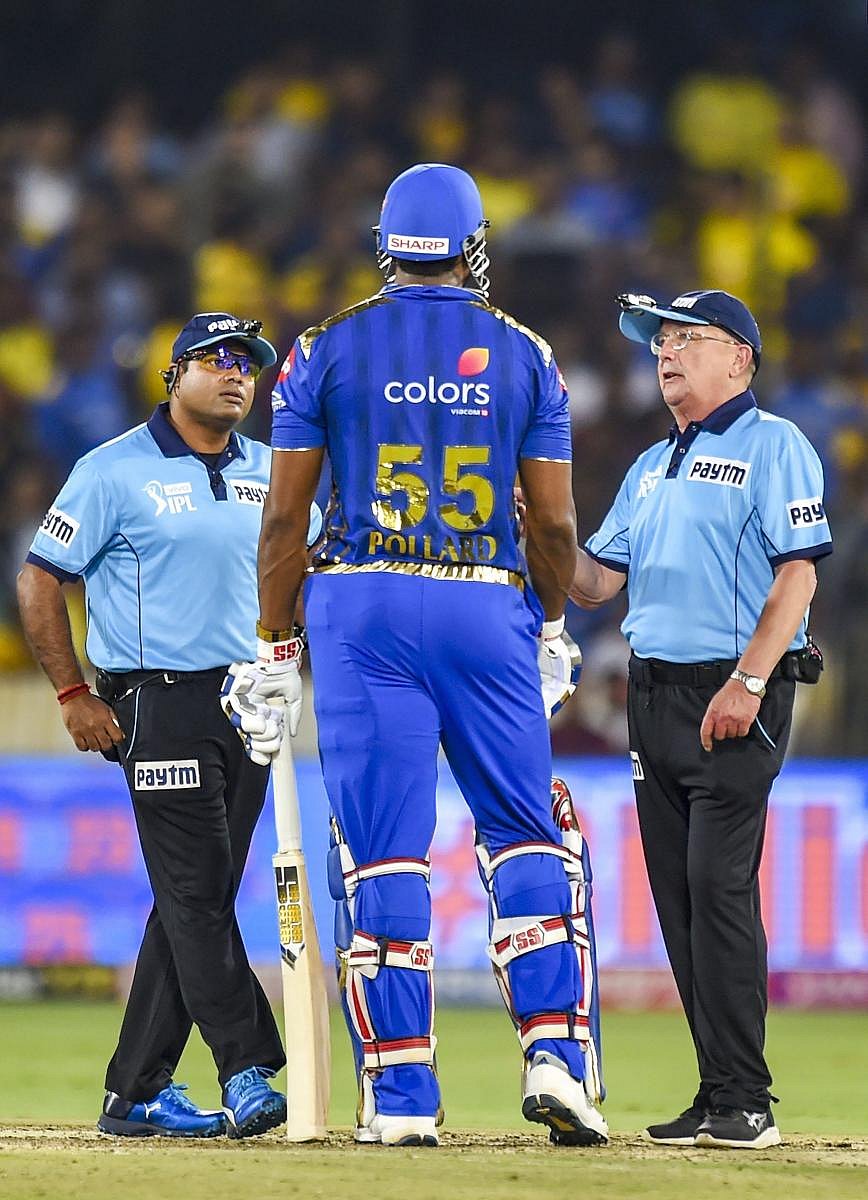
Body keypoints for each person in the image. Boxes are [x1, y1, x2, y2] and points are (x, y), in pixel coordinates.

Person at [223, 163, 608, 1148]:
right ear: (474, 246)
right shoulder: (527, 354)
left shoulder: (322, 349)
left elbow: (282, 519)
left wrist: (274, 646)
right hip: (486, 607)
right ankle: (556, 1056)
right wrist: (554, 628)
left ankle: (400, 1101)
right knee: (523, 835)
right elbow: (555, 524)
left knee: (383, 853)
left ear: (385, 244)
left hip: (363, 607)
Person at [17, 312, 322, 1139]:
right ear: (174, 374)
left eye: (248, 366)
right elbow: (41, 580)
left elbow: (315, 573)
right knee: (195, 888)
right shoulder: (112, 469)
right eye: (217, 361)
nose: (236, 375)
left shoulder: (275, 471)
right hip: (157, 704)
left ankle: (137, 1090)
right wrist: (74, 693)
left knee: (198, 897)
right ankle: (246, 1065)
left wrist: (296, 662)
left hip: (251, 705)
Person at [570, 289, 831, 1150]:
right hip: (654, 697)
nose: (667, 354)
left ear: (741, 359)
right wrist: (531, 517)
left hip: (733, 695)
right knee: (681, 903)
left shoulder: (775, 445)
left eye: (688, 339)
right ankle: (720, 1091)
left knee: (719, 891)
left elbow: (798, 574)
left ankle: (747, 1101)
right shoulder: (652, 466)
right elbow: (596, 584)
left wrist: (750, 681)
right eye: (660, 344)